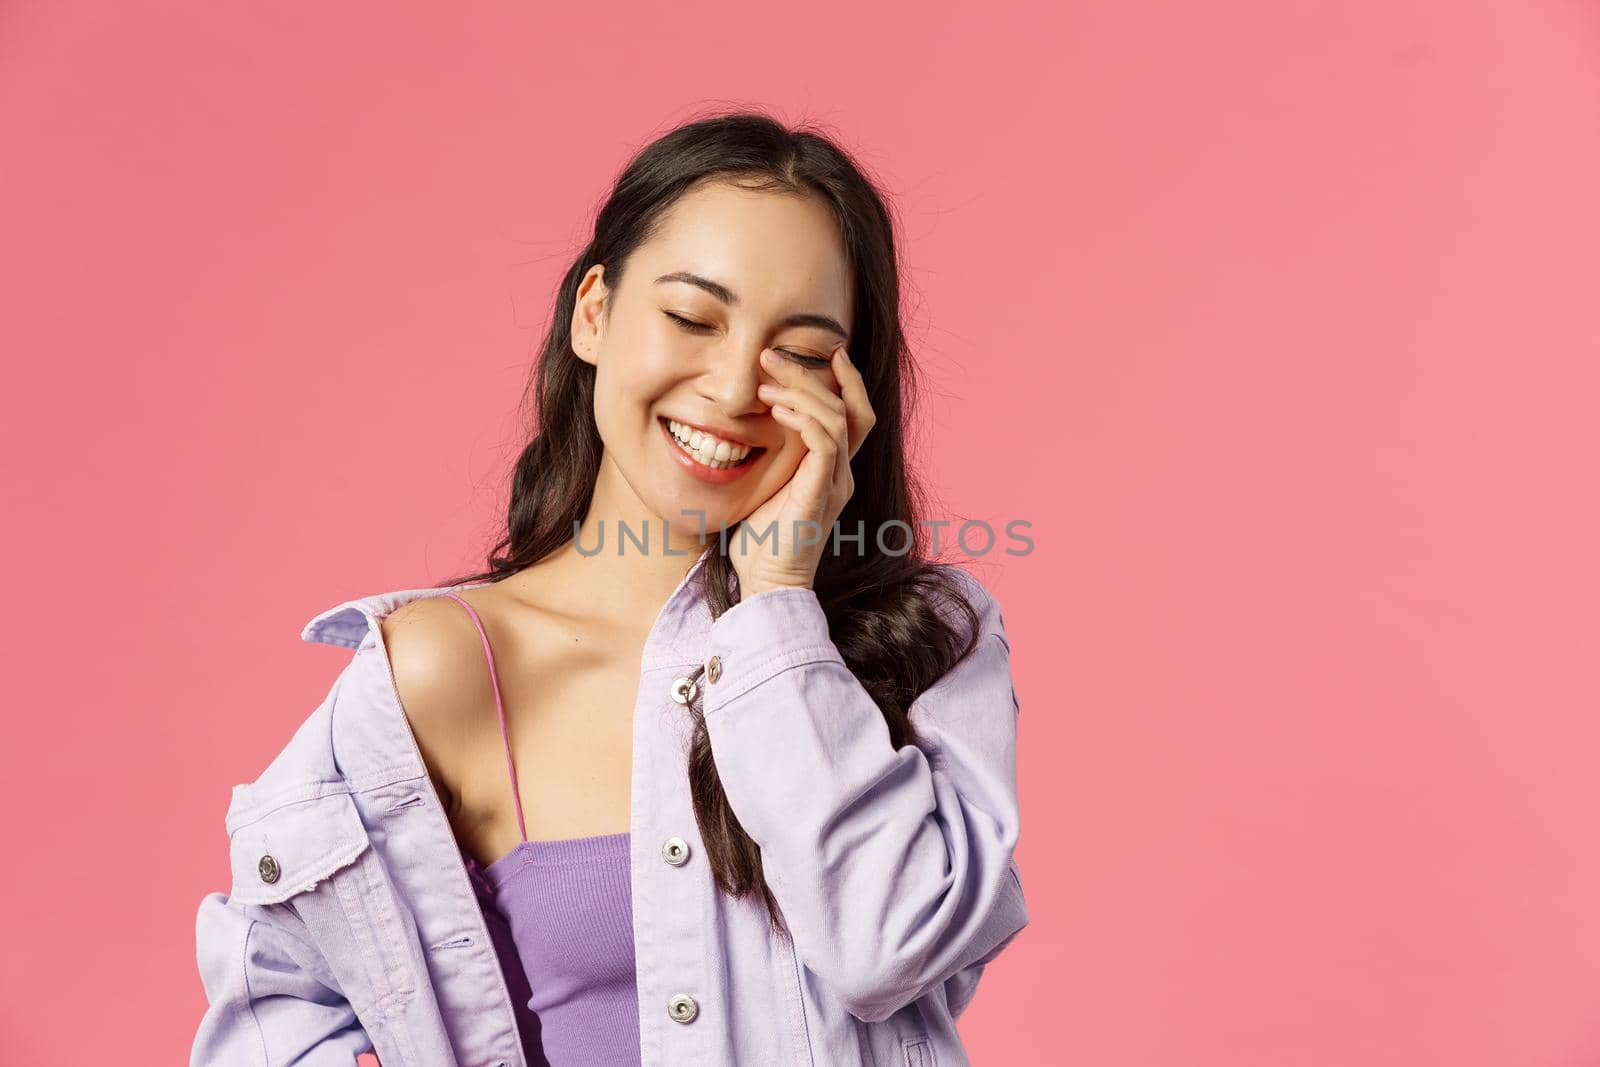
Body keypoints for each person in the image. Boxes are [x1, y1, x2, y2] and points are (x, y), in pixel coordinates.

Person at [190, 109, 1028, 1067]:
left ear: (847, 392)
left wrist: (777, 602)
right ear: (594, 314)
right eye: (690, 317)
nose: (734, 387)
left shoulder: (925, 640)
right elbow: (273, 1001)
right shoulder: (450, 663)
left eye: (797, 350)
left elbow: (893, 946)